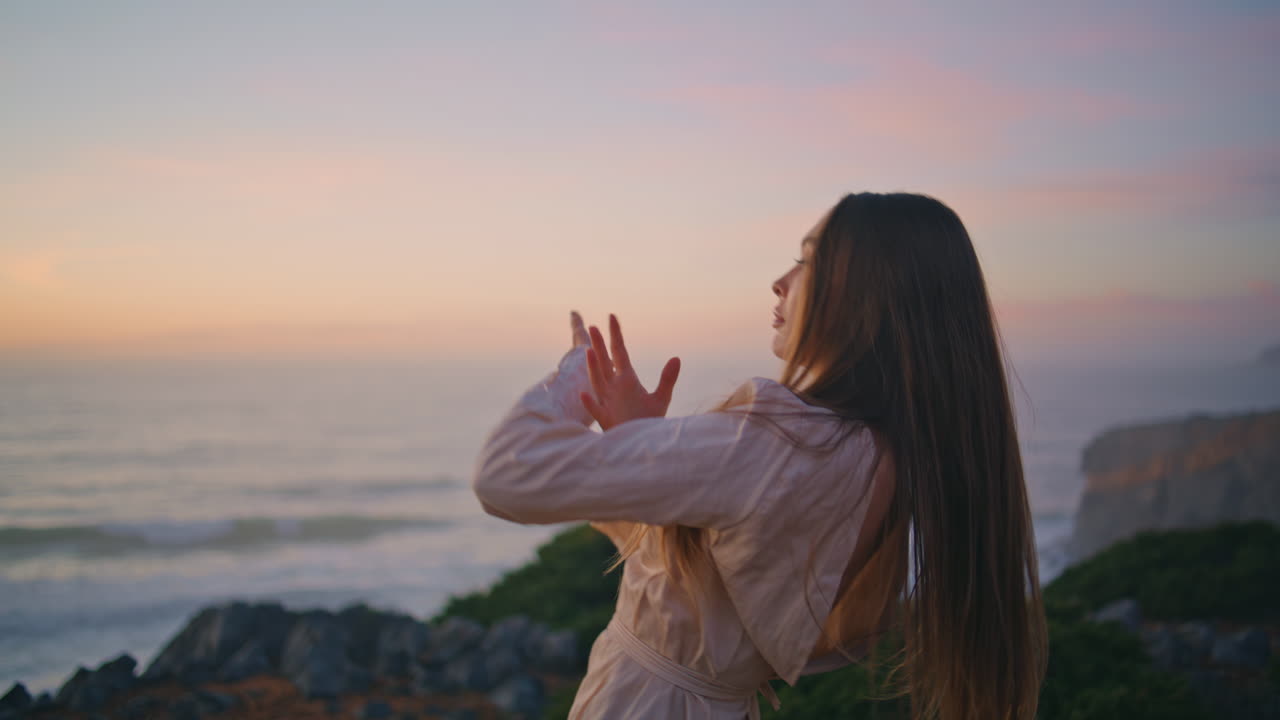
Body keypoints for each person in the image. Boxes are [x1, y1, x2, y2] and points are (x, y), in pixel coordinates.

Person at [472, 192, 1049, 719]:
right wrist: (640, 450)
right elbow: (708, 591)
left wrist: (573, 379)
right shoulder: (873, 455)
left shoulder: (781, 440)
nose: (780, 281)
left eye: (808, 260)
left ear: (870, 289)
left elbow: (506, 476)